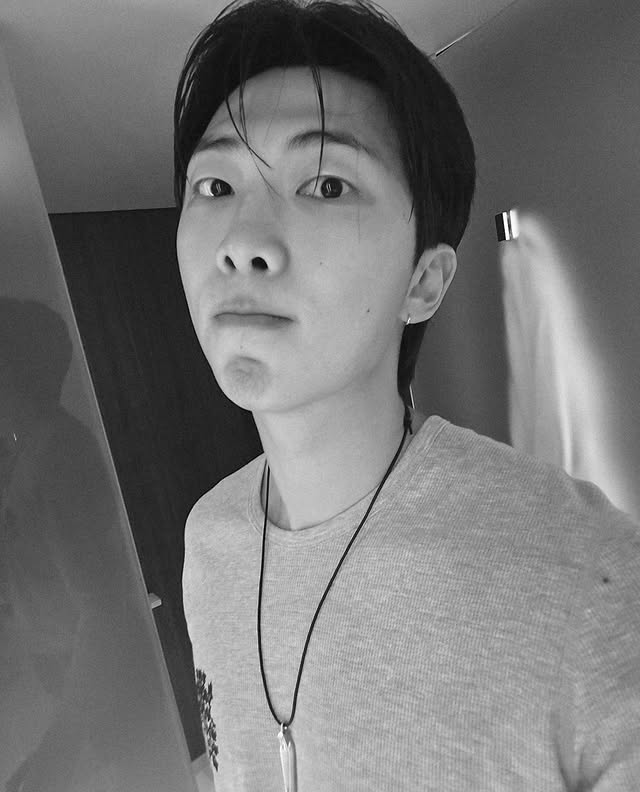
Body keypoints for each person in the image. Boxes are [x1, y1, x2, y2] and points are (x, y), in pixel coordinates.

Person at [174, 1, 640, 789]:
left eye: (326, 184)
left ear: (424, 281)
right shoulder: (209, 539)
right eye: (215, 184)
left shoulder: (584, 578)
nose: (243, 243)